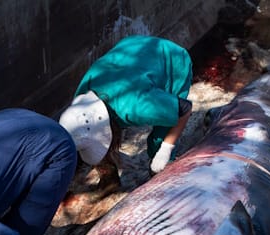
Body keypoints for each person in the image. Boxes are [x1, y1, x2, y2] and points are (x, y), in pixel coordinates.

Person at [58, 35, 193, 175]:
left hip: (172, 59)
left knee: (161, 134)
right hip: (131, 47)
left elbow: (185, 109)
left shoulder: (138, 106)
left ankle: (162, 174)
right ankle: (110, 176)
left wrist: (166, 148)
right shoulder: (82, 97)